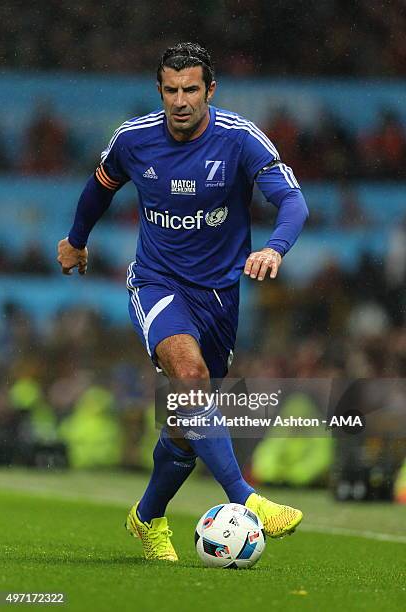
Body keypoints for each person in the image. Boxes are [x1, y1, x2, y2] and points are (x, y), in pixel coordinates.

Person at [57, 42, 309, 562]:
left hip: (218, 297)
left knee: (186, 422)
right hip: (156, 282)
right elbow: (99, 187)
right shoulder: (134, 140)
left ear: (209, 90)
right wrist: (77, 239)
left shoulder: (239, 139)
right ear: (160, 91)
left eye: (190, 89)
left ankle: (146, 518)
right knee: (190, 381)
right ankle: (246, 498)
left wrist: (274, 248)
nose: (180, 100)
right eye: (170, 90)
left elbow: (292, 200)